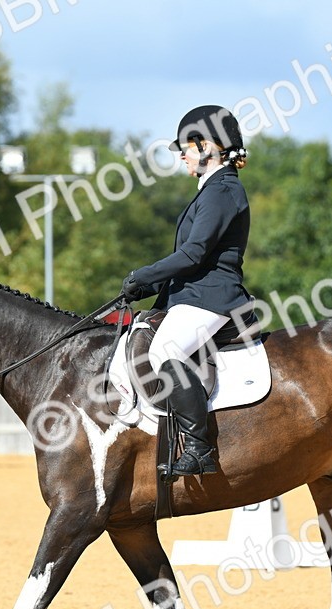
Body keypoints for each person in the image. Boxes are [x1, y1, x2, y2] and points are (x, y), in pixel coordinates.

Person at [121, 105, 254, 477]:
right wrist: (148, 286)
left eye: (187, 147)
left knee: (166, 350)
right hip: (193, 295)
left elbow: (194, 253)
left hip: (212, 296)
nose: (181, 154)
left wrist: (143, 274)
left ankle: (199, 449)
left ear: (209, 146)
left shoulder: (223, 190)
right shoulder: (212, 190)